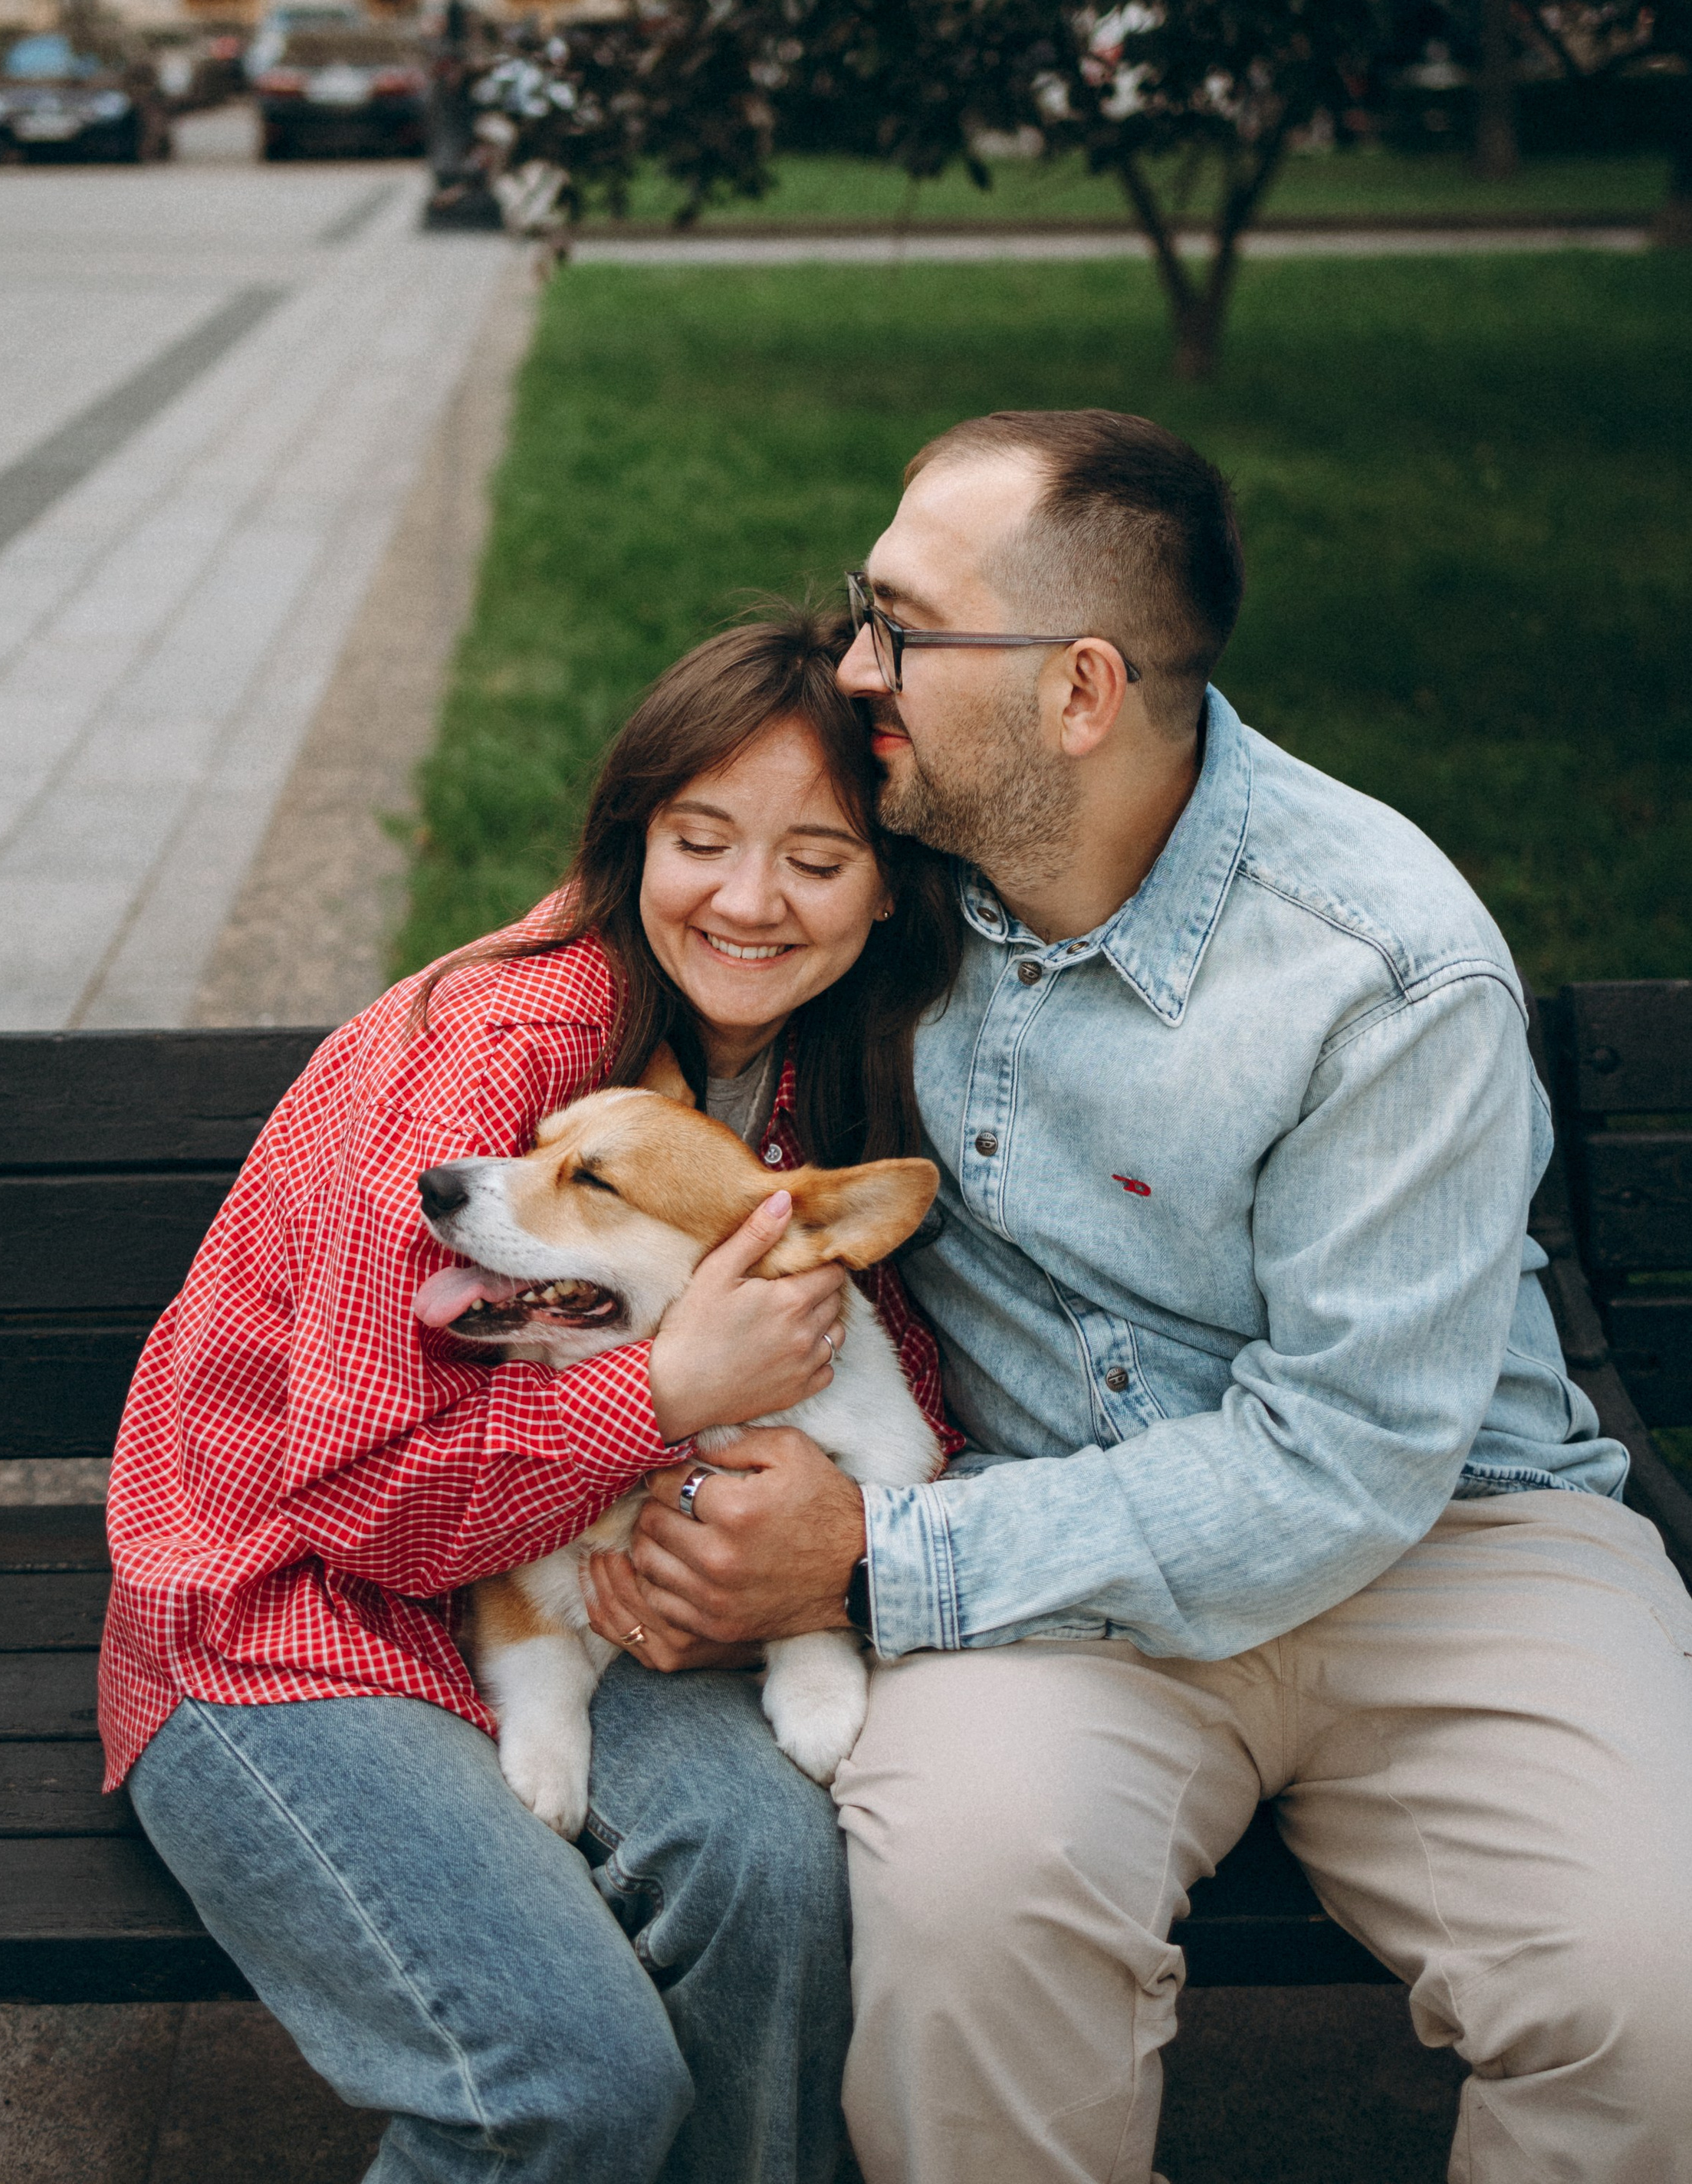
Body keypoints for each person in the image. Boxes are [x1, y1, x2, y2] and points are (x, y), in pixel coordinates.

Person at [605, 409, 1692, 2184]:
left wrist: (874, 1560)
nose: (850, 668)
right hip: (1047, 1561)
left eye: (898, 628)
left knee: (1654, 2001)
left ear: (1079, 693)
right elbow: (650, 915)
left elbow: (1347, 1460)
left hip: (1440, 1543)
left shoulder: (1381, 969)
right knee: (957, 1946)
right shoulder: (880, 869)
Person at [99, 611, 963, 2184]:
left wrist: (788, 1521)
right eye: (699, 841)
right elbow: (359, 1507)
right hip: (289, 1617)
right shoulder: (513, 1047)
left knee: (775, 1875)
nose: (750, 901)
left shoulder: (806, 1045)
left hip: (557, 1591)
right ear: (634, 833)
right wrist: (666, 1393)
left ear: (887, 881)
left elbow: (884, 1360)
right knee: (559, 2084)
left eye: (816, 860)